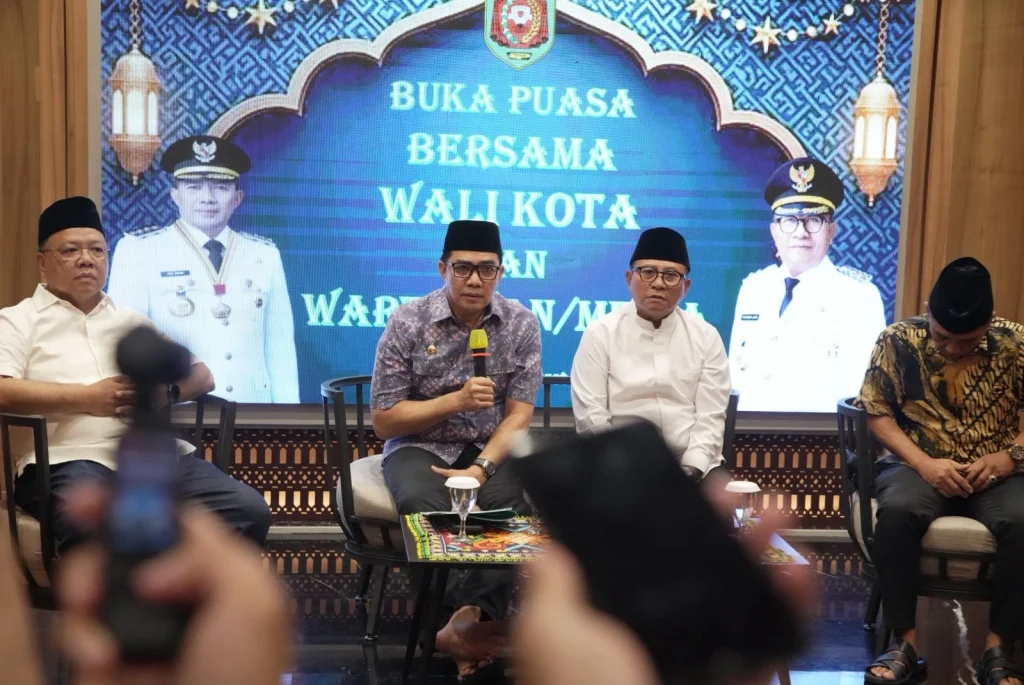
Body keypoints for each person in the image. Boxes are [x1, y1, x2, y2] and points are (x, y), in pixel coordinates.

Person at [0, 197, 271, 553]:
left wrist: (165, 394)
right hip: (65, 461)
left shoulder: (130, 321)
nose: (86, 259)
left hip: (149, 458)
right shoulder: (17, 321)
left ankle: (184, 587)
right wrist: (87, 398)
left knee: (247, 509)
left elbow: (203, 375)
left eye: (97, 250)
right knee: (87, 520)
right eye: (70, 251)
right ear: (42, 263)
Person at [371, 219, 542, 680]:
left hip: (489, 445)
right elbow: (384, 419)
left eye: (487, 269)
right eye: (463, 268)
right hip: (418, 444)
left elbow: (518, 416)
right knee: (422, 502)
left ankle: (466, 621)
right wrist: (456, 401)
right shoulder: (408, 320)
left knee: (509, 509)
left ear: (500, 273)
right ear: (443, 268)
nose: (474, 280)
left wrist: (482, 468)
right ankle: (450, 625)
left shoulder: (521, 323)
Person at [859, 258, 1024, 685]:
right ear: (927, 309)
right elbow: (876, 413)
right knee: (897, 513)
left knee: (1023, 520)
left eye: (966, 340)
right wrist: (923, 463)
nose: (952, 349)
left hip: (995, 471)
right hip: (917, 465)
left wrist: (1012, 455)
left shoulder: (1016, 342)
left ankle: (998, 647)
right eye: (942, 336)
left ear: (989, 321)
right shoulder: (897, 339)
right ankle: (904, 642)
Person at [106, 135, 299, 404]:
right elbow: (128, 343)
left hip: (252, 411)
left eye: (221, 187)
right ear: (175, 195)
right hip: (176, 412)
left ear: (238, 198)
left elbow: (280, 350)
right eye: (194, 187)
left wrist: (286, 419)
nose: (208, 198)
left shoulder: (264, 255)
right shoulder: (139, 250)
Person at [570, 227, 731, 480]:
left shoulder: (706, 336)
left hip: (693, 466)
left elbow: (710, 417)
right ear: (629, 278)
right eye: (647, 272)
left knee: (718, 498)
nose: (658, 283)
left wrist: (691, 468)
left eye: (671, 275)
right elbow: (591, 416)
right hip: (618, 467)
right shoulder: (600, 333)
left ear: (686, 287)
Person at [729, 158, 886, 413]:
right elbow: (735, 378)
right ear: (774, 231)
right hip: (747, 432)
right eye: (789, 220)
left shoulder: (858, 296)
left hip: (822, 435)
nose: (801, 232)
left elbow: (865, 393)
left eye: (814, 220)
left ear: (831, 231)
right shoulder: (754, 289)